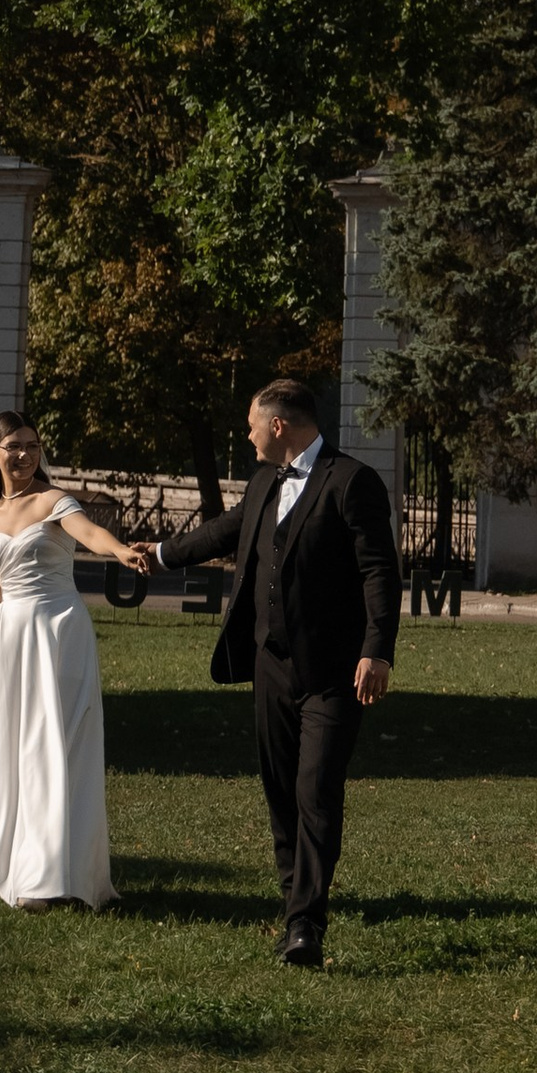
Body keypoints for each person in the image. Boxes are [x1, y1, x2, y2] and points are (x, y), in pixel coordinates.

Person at [155, 376, 401, 968]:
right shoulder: (267, 480)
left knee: (316, 790)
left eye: (251, 424)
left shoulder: (352, 482)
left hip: (334, 672)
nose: (247, 435)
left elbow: (380, 572)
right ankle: (294, 897)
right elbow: (225, 531)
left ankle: (305, 925)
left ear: (280, 425)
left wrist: (378, 650)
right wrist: (159, 555)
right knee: (280, 789)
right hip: (271, 666)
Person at [0, 413, 151, 906]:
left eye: (33, 445)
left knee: (62, 743)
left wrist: (119, 550)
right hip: (11, 642)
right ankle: (28, 870)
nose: (26, 454)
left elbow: (89, 532)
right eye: (14, 446)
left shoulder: (53, 501)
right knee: (19, 748)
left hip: (59, 632)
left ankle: (65, 874)